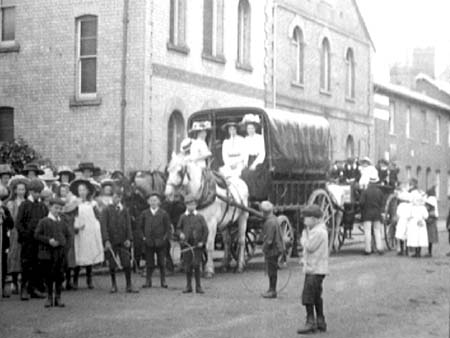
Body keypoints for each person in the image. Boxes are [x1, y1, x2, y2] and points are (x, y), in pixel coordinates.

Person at [297, 205, 329, 334]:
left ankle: (310, 322)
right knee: (316, 296)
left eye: (306, 218)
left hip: (314, 269)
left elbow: (309, 247)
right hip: (317, 268)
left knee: (308, 296)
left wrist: (304, 237)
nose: (304, 220)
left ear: (314, 219)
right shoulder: (319, 230)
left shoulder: (317, 232)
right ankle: (321, 321)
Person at [34, 197, 71, 308]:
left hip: (60, 253)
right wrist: (48, 241)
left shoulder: (62, 222)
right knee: (49, 276)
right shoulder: (44, 221)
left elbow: (68, 236)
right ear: (50, 208)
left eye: (60, 208)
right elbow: (37, 235)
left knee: (59, 276)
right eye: (55, 208)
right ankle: (49, 297)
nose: (58, 210)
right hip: (48, 253)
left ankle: (58, 297)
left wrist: (65, 247)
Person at [101, 188, 138, 293]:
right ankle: (113, 285)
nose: (117, 199)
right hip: (112, 241)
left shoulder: (124, 210)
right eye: (115, 196)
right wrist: (106, 240)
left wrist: (129, 238)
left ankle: (129, 285)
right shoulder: (106, 210)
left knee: (126, 262)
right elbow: (103, 227)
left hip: (123, 240)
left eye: (119, 197)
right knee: (112, 263)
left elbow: (128, 225)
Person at [16, 179, 48, 300]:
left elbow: (46, 222)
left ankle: (34, 288)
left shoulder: (42, 206)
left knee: (38, 265)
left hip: (39, 241)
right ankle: (24, 289)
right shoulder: (24, 205)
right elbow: (18, 223)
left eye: (39, 192)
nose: (37, 195)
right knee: (26, 264)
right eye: (35, 192)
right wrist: (25, 235)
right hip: (27, 241)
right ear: (30, 192)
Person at [70, 178, 104, 289]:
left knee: (89, 253)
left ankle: (89, 279)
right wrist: (75, 226)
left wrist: (96, 226)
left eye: (84, 190)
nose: (82, 192)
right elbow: (70, 216)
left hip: (90, 231)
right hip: (79, 231)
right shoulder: (74, 203)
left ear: (88, 191)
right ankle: (75, 280)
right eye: (80, 190)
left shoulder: (93, 203)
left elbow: (98, 216)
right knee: (79, 254)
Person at [177, 195, 208, 294]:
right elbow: (178, 228)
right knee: (187, 266)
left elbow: (206, 230)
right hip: (186, 246)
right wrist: (180, 234)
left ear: (196, 205)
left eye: (193, 204)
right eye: (189, 204)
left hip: (197, 246)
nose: (191, 206)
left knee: (196, 264)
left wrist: (202, 242)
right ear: (186, 205)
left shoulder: (200, 217)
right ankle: (188, 286)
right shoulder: (183, 217)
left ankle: (198, 286)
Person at [140, 192, 171, 288]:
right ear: (148, 202)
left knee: (161, 262)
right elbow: (140, 228)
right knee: (149, 263)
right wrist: (143, 237)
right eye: (151, 200)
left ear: (159, 202)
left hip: (160, 242)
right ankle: (148, 281)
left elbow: (167, 228)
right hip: (149, 242)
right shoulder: (144, 213)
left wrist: (164, 239)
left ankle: (163, 281)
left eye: (155, 200)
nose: (153, 202)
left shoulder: (163, 214)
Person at [6, 176, 29, 295]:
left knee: (25, 256)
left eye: (23, 189)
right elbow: (11, 218)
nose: (21, 192)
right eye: (19, 189)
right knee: (15, 254)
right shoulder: (11, 203)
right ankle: (14, 282)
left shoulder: (27, 202)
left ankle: (24, 282)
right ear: (15, 190)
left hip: (26, 232)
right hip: (15, 231)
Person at [241, 114, 270, 200]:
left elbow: (262, 153)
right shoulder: (246, 139)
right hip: (249, 159)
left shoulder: (260, 138)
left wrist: (254, 164)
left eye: (252, 128)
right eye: (248, 128)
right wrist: (245, 163)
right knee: (244, 173)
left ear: (255, 129)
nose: (250, 130)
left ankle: (256, 197)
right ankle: (246, 195)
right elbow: (245, 152)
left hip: (258, 161)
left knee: (254, 174)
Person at [260, 200, 284, 299]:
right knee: (272, 271)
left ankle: (272, 290)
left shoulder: (269, 222)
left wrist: (263, 248)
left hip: (272, 250)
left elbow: (269, 240)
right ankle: (271, 289)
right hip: (275, 248)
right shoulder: (274, 219)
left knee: (272, 271)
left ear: (264, 212)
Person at [359, 172, 384, 255]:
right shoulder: (379, 192)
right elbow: (381, 203)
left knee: (367, 232)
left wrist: (362, 210)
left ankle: (368, 250)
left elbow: (361, 203)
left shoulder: (365, 192)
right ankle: (379, 248)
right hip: (377, 213)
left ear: (369, 182)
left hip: (367, 213)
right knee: (377, 231)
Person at [60, 198, 79, 291]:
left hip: (70, 240)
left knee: (68, 262)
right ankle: (66, 281)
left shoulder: (68, 218)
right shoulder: (65, 218)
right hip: (67, 240)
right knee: (66, 262)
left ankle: (67, 281)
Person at [0, 186, 14, 298]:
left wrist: (4, 215)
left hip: (3, 240)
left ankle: (2, 286)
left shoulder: (4, 209)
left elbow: (11, 224)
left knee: (3, 263)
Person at [407, 191, 429, 258]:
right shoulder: (423, 208)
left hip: (414, 223)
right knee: (420, 237)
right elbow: (426, 216)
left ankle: (416, 252)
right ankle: (418, 252)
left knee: (416, 237)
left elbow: (409, 215)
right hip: (420, 222)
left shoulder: (412, 208)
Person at [394, 190, 412, 256]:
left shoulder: (400, 206)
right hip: (408, 221)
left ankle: (401, 250)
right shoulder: (410, 206)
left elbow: (398, 214)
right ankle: (406, 250)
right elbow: (411, 214)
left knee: (401, 235)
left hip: (401, 221)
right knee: (407, 236)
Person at [424, 187, 439, 257]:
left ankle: (429, 252)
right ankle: (429, 251)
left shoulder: (431, 200)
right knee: (429, 237)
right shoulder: (433, 199)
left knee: (429, 237)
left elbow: (430, 211)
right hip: (431, 220)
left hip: (430, 221)